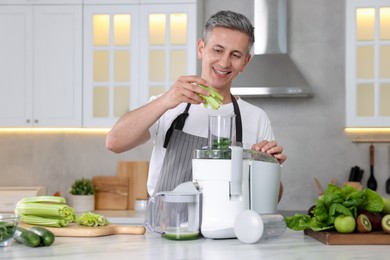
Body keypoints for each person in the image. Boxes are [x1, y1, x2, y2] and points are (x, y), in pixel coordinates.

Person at [106, 10, 287, 200]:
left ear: (245, 62)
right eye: (217, 50)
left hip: (228, 228)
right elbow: (114, 143)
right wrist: (166, 100)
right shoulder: (169, 105)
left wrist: (267, 167)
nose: (224, 62)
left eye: (235, 55)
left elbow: (273, 198)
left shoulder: (256, 118)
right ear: (201, 48)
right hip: (169, 226)